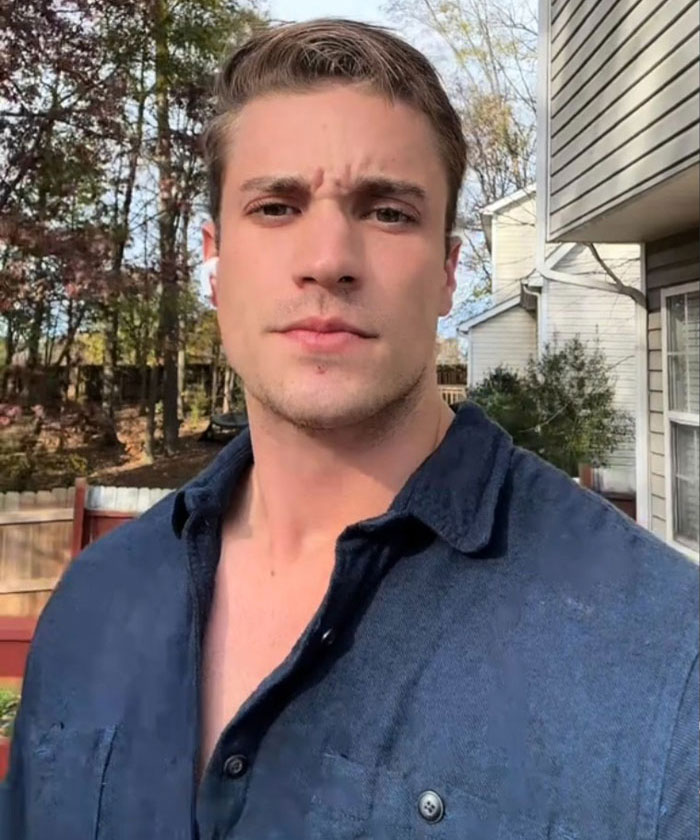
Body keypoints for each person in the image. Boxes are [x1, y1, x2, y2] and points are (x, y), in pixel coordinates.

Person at [2, 18, 697, 840]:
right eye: (276, 205)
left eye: (388, 212)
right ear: (212, 262)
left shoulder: (660, 656)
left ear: (448, 272)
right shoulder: (94, 602)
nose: (328, 256)